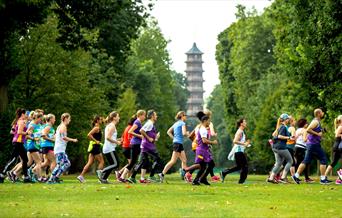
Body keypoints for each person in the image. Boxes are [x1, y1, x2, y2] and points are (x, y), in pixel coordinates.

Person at [292, 109, 331, 184]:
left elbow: (315, 131)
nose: (323, 113)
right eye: (322, 112)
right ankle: (323, 179)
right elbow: (308, 130)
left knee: (306, 161)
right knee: (323, 159)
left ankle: (296, 176)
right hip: (313, 144)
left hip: (312, 144)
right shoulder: (315, 121)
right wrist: (317, 134)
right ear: (319, 113)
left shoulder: (317, 121)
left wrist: (322, 131)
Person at [129, 110, 163, 183]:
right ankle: (151, 176)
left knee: (143, 162)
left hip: (146, 145)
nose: (156, 116)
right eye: (155, 115)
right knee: (158, 158)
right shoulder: (149, 123)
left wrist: (155, 137)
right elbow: (141, 130)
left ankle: (134, 177)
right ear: (152, 116)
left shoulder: (151, 124)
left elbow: (150, 136)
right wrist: (148, 138)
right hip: (147, 146)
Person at [0, 108, 31, 183]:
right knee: (13, 159)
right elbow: (20, 132)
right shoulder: (21, 121)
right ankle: (1, 175)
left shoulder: (17, 121)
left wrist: (17, 133)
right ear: (23, 114)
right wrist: (27, 133)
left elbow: (12, 132)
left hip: (18, 142)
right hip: (18, 142)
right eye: (26, 114)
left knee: (25, 159)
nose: (27, 115)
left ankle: (26, 177)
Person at [48, 113, 78, 184]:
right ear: (65, 118)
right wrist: (73, 140)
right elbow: (64, 137)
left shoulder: (59, 126)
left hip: (58, 148)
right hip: (60, 149)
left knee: (60, 164)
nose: (70, 120)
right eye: (69, 119)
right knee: (67, 163)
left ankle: (53, 178)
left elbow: (55, 136)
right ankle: (54, 177)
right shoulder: (63, 126)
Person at [159, 111, 189, 182]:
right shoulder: (182, 123)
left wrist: (174, 138)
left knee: (184, 160)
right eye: (185, 115)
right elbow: (184, 133)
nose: (186, 117)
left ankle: (185, 177)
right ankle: (162, 174)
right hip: (178, 144)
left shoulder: (176, 123)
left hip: (178, 143)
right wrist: (187, 133)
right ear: (182, 116)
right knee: (173, 161)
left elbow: (168, 132)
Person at [220, 118, 250, 184]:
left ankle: (224, 172)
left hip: (239, 151)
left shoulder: (241, 131)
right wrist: (244, 144)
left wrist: (246, 144)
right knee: (245, 166)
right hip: (239, 152)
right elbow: (235, 141)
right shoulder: (240, 131)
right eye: (245, 122)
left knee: (239, 167)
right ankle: (241, 181)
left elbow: (239, 142)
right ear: (241, 124)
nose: (246, 123)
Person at [192, 112, 218, 185]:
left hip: (204, 150)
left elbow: (197, 139)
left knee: (204, 166)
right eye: (208, 121)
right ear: (205, 121)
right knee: (204, 166)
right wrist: (213, 142)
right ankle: (188, 171)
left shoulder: (203, 129)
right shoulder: (203, 129)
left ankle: (198, 180)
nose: (209, 123)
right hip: (202, 151)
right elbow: (204, 140)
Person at [267, 113, 293, 184]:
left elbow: (274, 135)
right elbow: (280, 136)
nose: (289, 120)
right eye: (288, 119)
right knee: (290, 161)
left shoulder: (281, 126)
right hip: (281, 147)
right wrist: (289, 137)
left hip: (276, 147)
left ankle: (271, 178)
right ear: (285, 119)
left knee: (278, 163)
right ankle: (283, 177)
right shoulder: (283, 127)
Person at [77, 116, 105, 183]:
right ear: (97, 120)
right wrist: (96, 141)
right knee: (102, 162)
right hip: (95, 147)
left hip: (94, 147)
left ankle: (81, 176)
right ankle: (100, 178)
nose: (102, 121)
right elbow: (89, 135)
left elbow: (105, 120)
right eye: (100, 120)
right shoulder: (96, 128)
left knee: (89, 163)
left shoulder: (97, 127)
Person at [97, 111, 121, 184]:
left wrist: (118, 139)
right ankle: (102, 171)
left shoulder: (109, 125)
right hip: (109, 148)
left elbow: (110, 138)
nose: (119, 118)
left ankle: (103, 179)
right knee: (116, 164)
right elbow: (108, 137)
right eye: (118, 116)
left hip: (108, 147)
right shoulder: (112, 126)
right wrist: (117, 142)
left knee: (112, 164)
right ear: (114, 118)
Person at [123, 110, 146, 183]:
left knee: (133, 162)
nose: (144, 117)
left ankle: (122, 176)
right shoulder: (137, 122)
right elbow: (130, 131)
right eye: (144, 115)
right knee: (134, 161)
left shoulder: (138, 122)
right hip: (135, 144)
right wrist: (140, 136)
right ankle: (122, 176)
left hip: (136, 144)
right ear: (140, 115)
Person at [117, 115, 136, 182]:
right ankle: (123, 176)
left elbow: (122, 138)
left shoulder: (127, 127)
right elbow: (129, 138)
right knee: (131, 164)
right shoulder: (131, 128)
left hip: (124, 147)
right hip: (128, 147)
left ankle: (121, 173)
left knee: (130, 163)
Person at [26, 112, 44, 182]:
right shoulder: (32, 125)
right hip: (32, 145)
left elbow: (39, 134)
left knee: (29, 162)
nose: (41, 120)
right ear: (36, 118)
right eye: (40, 119)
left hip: (37, 145)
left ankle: (15, 173)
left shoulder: (38, 125)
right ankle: (39, 178)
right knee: (39, 162)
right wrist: (33, 138)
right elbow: (27, 136)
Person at [294, 118, 313, 183]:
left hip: (296, 147)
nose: (307, 124)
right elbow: (305, 140)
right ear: (304, 124)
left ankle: (304, 177)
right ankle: (303, 177)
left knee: (300, 163)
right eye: (306, 123)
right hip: (302, 148)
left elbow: (295, 139)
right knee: (305, 162)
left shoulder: (297, 130)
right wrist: (310, 140)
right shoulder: (304, 130)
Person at [324, 115, 342, 184]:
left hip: (336, 145)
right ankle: (339, 178)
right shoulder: (340, 127)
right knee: (334, 162)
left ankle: (324, 176)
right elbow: (337, 135)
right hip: (339, 146)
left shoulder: (338, 126)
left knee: (333, 162)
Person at [40, 114, 56, 181]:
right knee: (54, 161)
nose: (55, 120)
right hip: (47, 146)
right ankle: (53, 178)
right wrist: (52, 140)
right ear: (50, 119)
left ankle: (32, 171)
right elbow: (43, 135)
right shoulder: (48, 127)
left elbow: (49, 135)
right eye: (54, 118)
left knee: (46, 162)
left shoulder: (50, 127)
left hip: (48, 146)